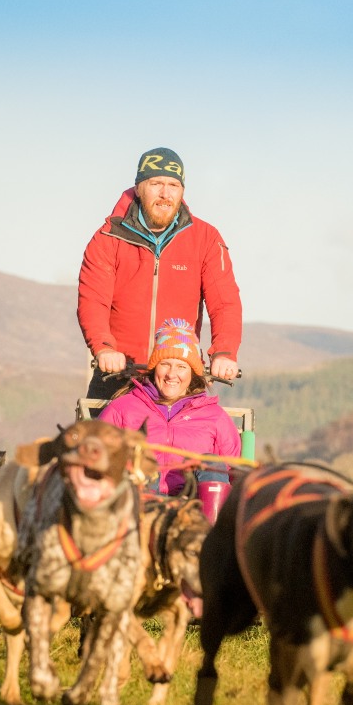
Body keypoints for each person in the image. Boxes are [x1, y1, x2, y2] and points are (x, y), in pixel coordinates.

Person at [78, 147, 242, 399]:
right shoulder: (107, 238)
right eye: (156, 183)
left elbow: (225, 303)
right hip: (118, 374)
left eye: (173, 185)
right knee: (95, 436)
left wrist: (224, 352)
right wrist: (104, 348)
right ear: (139, 187)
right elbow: (93, 300)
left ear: (182, 191)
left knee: (204, 435)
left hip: (179, 373)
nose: (165, 193)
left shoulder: (206, 238)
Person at [99, 318, 241, 498]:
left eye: (181, 366)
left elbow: (234, 470)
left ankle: (208, 525)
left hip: (194, 507)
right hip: (138, 506)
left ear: (192, 373)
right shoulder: (123, 408)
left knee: (212, 464)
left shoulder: (215, 417)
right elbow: (98, 455)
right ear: (154, 367)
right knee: (141, 460)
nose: (171, 374)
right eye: (165, 364)